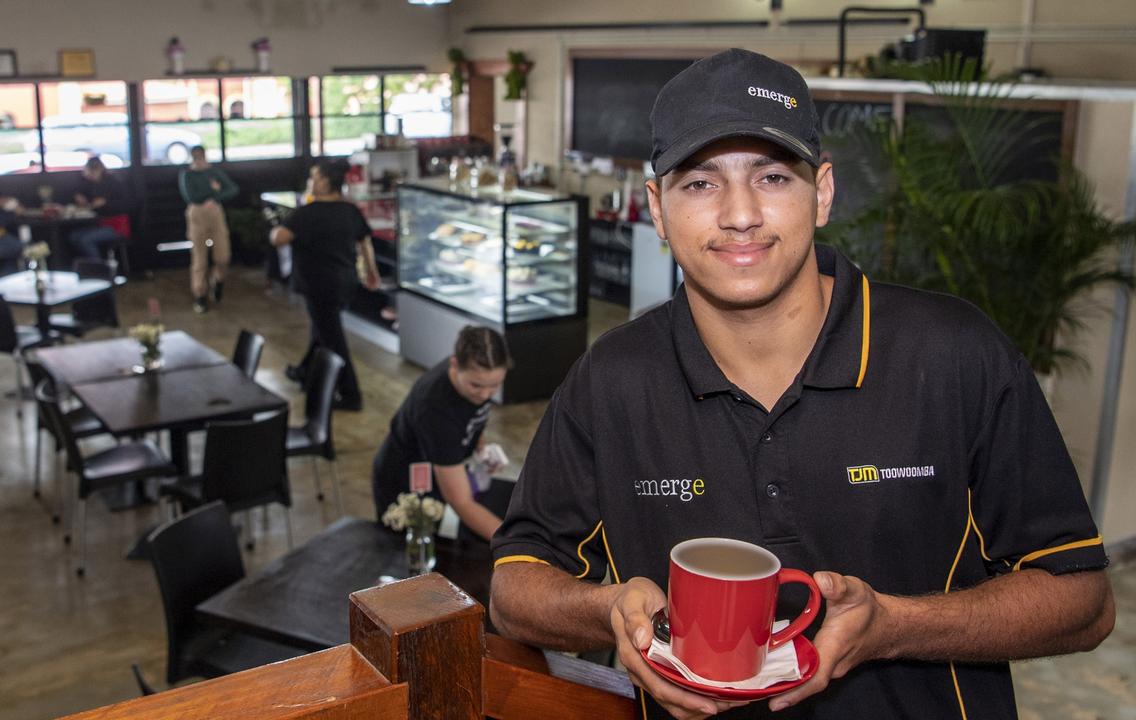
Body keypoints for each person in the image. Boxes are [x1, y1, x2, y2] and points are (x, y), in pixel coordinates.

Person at [489, 49, 1114, 720]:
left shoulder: (955, 353)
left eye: (773, 176)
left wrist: (895, 626)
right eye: (700, 183)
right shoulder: (610, 381)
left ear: (821, 193)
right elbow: (513, 589)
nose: (740, 215)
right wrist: (607, 608)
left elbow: (1082, 601)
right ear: (657, 209)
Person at [372, 326, 511, 540]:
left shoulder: (473, 377)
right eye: (476, 385)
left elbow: (472, 419)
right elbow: (461, 502)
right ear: (454, 364)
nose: (485, 394)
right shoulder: (434, 410)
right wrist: (515, 546)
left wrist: (480, 447)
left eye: (494, 386)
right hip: (404, 488)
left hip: (437, 472)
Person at [270, 158, 380, 411]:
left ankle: (351, 394)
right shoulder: (350, 211)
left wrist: (277, 225)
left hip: (318, 285)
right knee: (322, 329)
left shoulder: (307, 213)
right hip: (345, 283)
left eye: (313, 177)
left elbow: (279, 238)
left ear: (324, 181)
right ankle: (305, 372)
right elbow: (365, 243)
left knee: (333, 339)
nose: (310, 182)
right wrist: (371, 272)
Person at [179, 145, 238, 313]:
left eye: (201, 157)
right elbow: (191, 196)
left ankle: (218, 280)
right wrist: (212, 190)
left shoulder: (214, 172)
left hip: (215, 213)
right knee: (200, 258)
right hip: (197, 215)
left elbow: (232, 189)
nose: (199, 160)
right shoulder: (187, 175)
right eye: (196, 157)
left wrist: (216, 196)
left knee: (223, 256)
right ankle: (200, 295)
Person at [67, 156, 130, 263]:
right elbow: (87, 200)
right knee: (74, 236)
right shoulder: (93, 184)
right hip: (100, 224)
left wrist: (106, 203)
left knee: (85, 240)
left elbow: (127, 205)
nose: (90, 177)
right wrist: (81, 198)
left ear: (99, 169)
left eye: (92, 173)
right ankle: (88, 267)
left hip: (117, 227)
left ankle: (99, 271)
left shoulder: (115, 182)